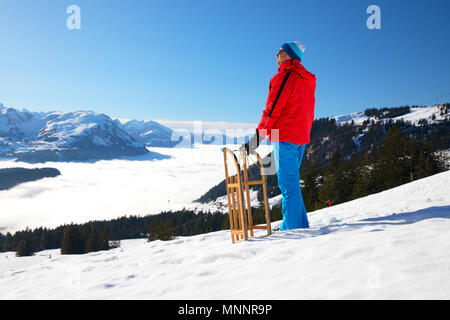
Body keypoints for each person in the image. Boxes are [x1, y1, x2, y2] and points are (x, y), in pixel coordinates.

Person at [244, 41, 316, 231]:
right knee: (292, 182)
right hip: (300, 137)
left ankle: (291, 228)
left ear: (290, 55)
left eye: (280, 51)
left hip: (285, 136)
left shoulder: (285, 76)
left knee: (287, 184)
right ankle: (300, 224)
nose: (276, 54)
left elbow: (273, 109)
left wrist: (257, 138)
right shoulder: (306, 79)